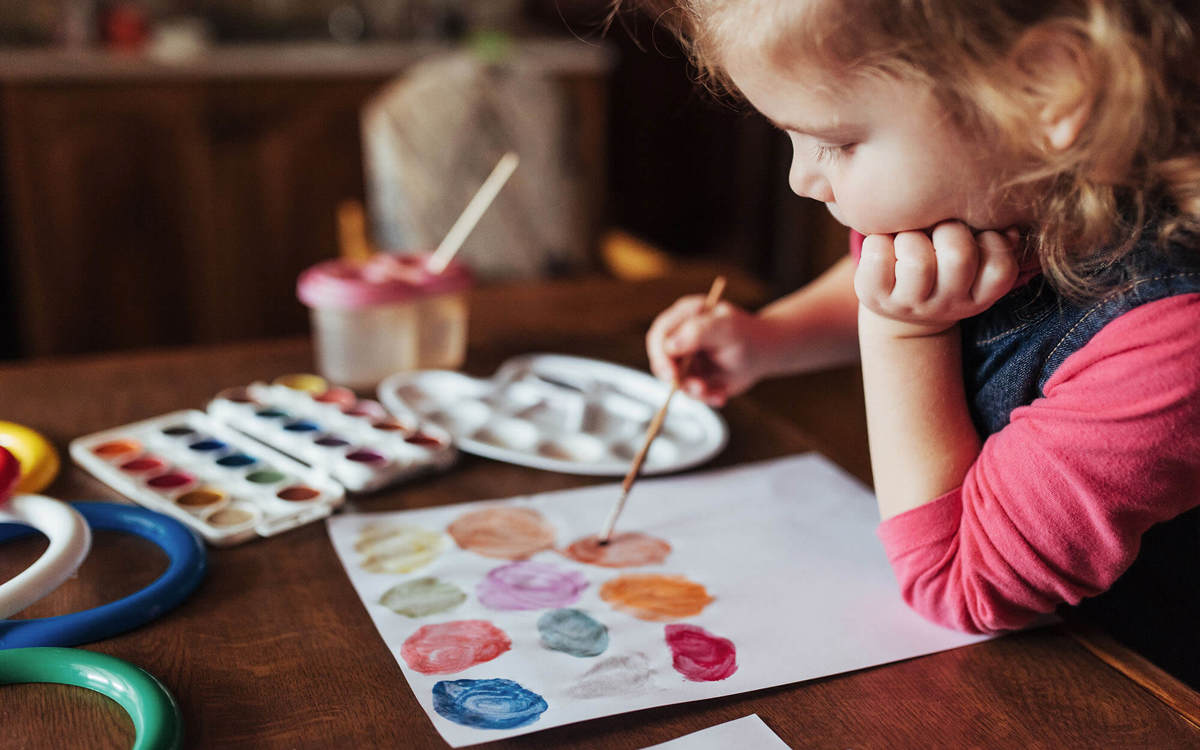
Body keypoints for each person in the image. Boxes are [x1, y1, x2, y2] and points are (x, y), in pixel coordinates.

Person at [635, 0, 1200, 686]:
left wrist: (904, 331)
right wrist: (772, 338)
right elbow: (909, 277)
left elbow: (961, 588)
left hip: (1127, 685)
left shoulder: (1172, 345)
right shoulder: (1004, 193)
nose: (801, 179)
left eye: (838, 142)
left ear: (1045, 89)